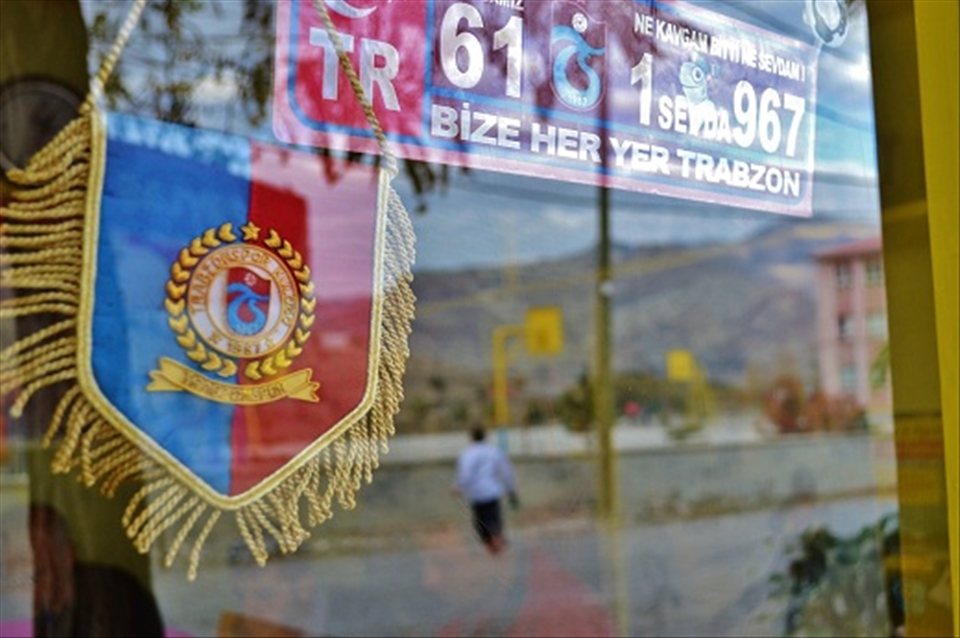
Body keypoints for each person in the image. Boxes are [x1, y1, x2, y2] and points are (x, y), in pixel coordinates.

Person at [454, 426, 519, 555]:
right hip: (491, 492)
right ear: (485, 436)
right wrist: (511, 490)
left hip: (476, 494)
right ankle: (497, 540)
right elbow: (506, 472)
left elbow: (465, 474)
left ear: (471, 437)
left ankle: (492, 545)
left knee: (481, 523)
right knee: (494, 519)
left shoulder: (468, 454)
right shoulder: (494, 451)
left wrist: (458, 487)